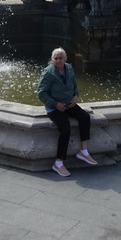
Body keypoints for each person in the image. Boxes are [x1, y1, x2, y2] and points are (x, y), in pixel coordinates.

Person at [37, 48, 97, 177]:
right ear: (52, 60)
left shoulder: (69, 68)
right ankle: (58, 163)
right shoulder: (48, 73)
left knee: (85, 117)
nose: (58, 61)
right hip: (54, 108)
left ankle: (84, 151)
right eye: (55, 58)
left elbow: (74, 84)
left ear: (65, 59)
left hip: (69, 104)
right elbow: (41, 93)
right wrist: (55, 104)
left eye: (60, 58)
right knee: (65, 128)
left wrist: (76, 96)